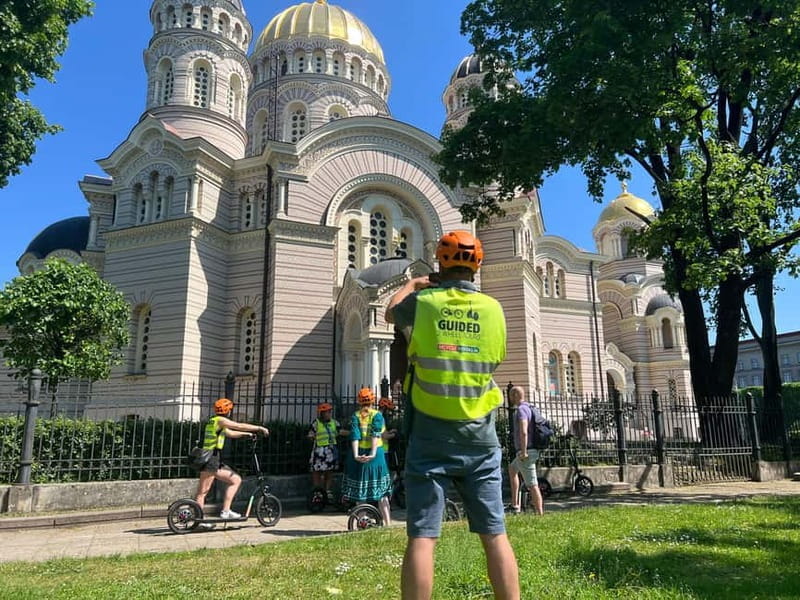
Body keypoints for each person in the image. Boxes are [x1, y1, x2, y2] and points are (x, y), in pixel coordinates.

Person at [385, 230, 520, 600]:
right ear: (478, 265)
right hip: (480, 434)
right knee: (495, 534)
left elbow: (390, 312)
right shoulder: (493, 309)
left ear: (441, 263)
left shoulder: (424, 302)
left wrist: (413, 283)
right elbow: (496, 356)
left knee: (422, 535)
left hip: (429, 431)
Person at [194, 398, 269, 519]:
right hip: (211, 459)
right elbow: (239, 426)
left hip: (214, 459)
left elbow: (231, 433)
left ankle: (226, 511)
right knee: (203, 492)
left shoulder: (214, 421)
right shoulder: (221, 420)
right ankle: (198, 519)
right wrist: (259, 428)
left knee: (235, 480)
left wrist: (247, 434)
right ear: (227, 411)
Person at [340, 387, 393, 525]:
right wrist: (373, 453)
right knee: (382, 493)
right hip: (376, 456)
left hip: (359, 455)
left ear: (359, 401)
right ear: (373, 400)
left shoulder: (356, 415)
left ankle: (361, 521)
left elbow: (355, 435)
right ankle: (388, 524)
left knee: (360, 492)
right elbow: (376, 434)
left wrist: (356, 454)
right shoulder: (377, 415)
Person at [506, 386, 545, 515]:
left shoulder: (521, 410)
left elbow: (523, 431)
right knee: (512, 469)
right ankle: (515, 505)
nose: (509, 399)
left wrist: (523, 452)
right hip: (531, 450)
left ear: (515, 395)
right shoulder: (529, 407)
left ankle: (540, 514)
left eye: (510, 396)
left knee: (532, 484)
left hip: (526, 451)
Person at [307, 402, 348, 499]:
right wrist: (310, 436)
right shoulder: (316, 423)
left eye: (329, 412)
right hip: (319, 451)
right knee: (317, 471)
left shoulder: (334, 423)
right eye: (326, 412)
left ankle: (327, 491)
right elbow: (310, 433)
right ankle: (317, 492)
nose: (328, 414)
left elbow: (340, 431)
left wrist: (352, 433)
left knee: (329, 471)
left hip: (330, 451)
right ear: (321, 413)